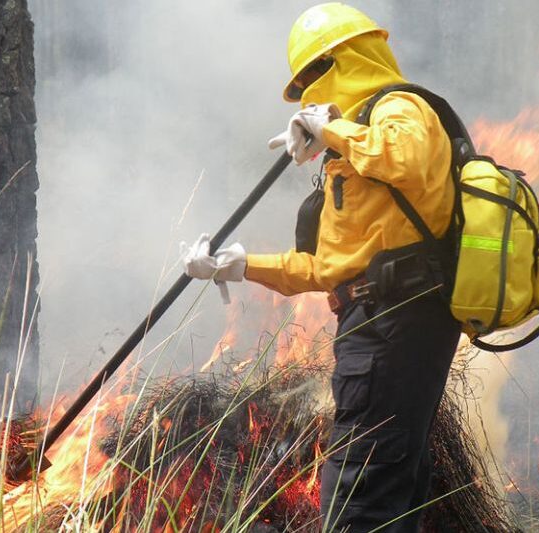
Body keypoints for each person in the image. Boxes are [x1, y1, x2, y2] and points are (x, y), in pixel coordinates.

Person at [183, 3, 461, 531]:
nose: (310, 92)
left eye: (316, 73)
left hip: (394, 321)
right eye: (303, 85)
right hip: (378, 320)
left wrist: (331, 131)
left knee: (359, 491)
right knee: (386, 484)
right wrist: (237, 266)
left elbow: (404, 157)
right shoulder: (354, 143)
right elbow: (330, 268)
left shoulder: (399, 109)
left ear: (350, 56)